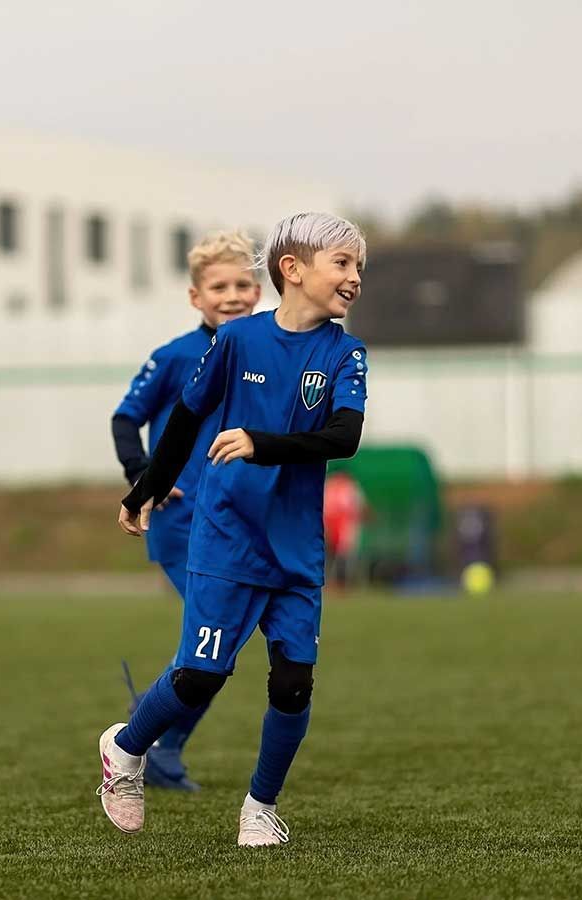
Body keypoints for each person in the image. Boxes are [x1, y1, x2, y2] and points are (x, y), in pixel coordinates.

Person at [97, 212, 368, 847]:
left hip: (296, 546)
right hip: (226, 535)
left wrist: (257, 442)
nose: (355, 277)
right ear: (292, 270)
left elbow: (344, 437)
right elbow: (184, 421)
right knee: (202, 675)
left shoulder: (346, 352)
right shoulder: (238, 340)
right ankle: (127, 748)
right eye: (343, 263)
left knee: (293, 682)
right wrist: (145, 489)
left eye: (360, 267)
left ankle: (259, 808)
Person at [111, 231, 260, 790]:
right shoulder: (174, 356)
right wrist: (143, 477)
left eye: (243, 284)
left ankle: (157, 742)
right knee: (210, 645)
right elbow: (125, 419)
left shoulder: (268, 350)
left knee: (219, 649)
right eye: (218, 285)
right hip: (182, 521)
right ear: (196, 297)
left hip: (244, 523)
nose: (232, 295)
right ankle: (146, 744)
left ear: (260, 291)